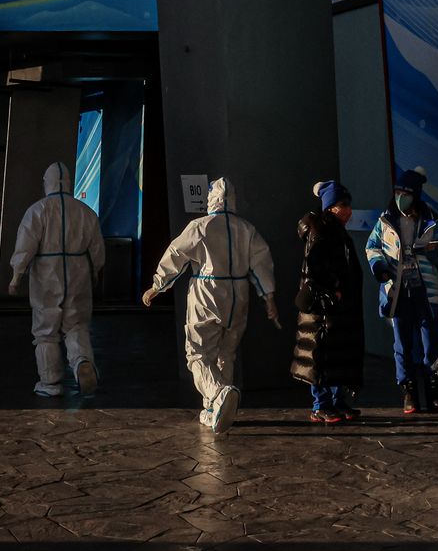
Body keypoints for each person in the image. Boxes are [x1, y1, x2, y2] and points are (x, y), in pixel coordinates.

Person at [142, 177, 278, 433]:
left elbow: (176, 254)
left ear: (211, 199)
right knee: (226, 353)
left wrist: (157, 285)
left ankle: (218, 393)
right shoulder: (246, 229)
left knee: (198, 353)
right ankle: (215, 410)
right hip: (239, 294)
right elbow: (261, 263)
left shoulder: (201, 226)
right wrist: (268, 296)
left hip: (208, 292)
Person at [7, 161, 107, 398]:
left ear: (47, 183)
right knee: (76, 325)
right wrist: (96, 273)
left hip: (46, 274)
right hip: (78, 271)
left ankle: (50, 382)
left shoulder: (37, 211)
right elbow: (97, 250)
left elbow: (25, 246)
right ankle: (82, 361)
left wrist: (16, 276)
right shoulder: (85, 212)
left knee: (45, 330)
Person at [366, 169, 438, 414]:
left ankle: (433, 391)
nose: (401, 196)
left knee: (431, 343)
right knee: (402, 344)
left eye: (406, 193)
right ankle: (408, 391)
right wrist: (380, 268)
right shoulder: (385, 220)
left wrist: (432, 251)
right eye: (398, 192)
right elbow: (372, 247)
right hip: (398, 290)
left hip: (426, 290)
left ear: (416, 196)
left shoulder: (433, 219)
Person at [291, 180, 367, 423]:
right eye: (342, 205)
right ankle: (320, 404)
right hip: (323, 309)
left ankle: (338, 401)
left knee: (337, 355)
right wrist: (330, 292)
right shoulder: (322, 231)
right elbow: (314, 268)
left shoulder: (339, 233)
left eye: (348, 205)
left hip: (338, 308)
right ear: (330, 207)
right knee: (320, 355)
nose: (348, 211)